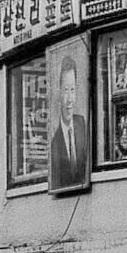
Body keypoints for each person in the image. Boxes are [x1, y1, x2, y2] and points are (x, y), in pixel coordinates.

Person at [49, 56, 90, 190]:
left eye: (72, 90)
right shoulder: (55, 142)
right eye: (66, 90)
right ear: (60, 93)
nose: (69, 99)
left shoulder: (82, 123)